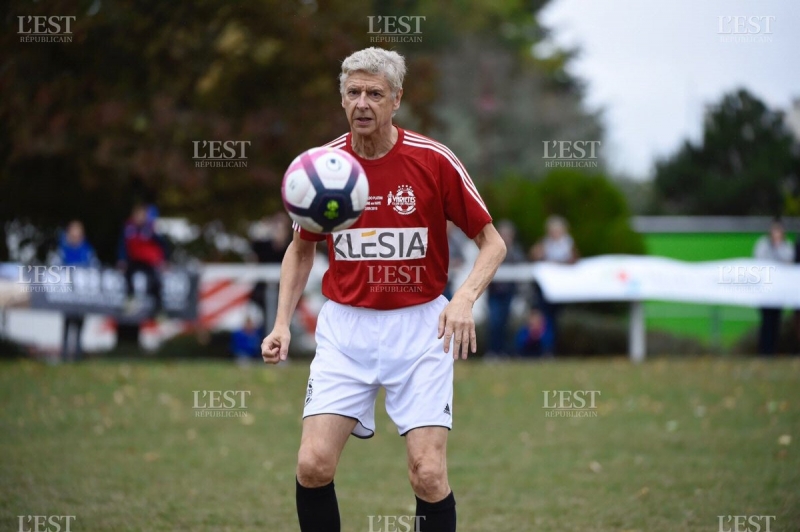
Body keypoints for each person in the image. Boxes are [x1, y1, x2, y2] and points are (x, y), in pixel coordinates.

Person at [261, 48, 506, 532]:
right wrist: (281, 324)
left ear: (396, 99)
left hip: (421, 330)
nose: (362, 103)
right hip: (345, 329)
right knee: (313, 464)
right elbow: (301, 249)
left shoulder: (433, 160)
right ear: (341, 99)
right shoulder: (324, 168)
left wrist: (463, 298)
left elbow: (492, 244)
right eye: (353, 92)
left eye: (374, 93)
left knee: (428, 473)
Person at [529, 215, 578, 356]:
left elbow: (574, 261)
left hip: (562, 289)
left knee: (556, 320)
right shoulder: (545, 243)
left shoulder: (568, 244)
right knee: (546, 319)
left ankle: (555, 348)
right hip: (546, 289)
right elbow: (533, 255)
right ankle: (547, 348)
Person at [56, 220, 98, 361]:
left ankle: (78, 355)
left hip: (81, 294)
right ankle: (64, 354)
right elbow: (56, 268)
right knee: (67, 323)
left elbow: (94, 268)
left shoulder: (87, 250)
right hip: (67, 294)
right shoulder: (62, 250)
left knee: (80, 325)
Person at [753, 218, 794, 355]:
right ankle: (763, 350)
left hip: (778, 291)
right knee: (766, 320)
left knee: (776, 321)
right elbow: (759, 261)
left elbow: (788, 261)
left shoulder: (786, 246)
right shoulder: (763, 244)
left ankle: (773, 350)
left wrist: (777, 247)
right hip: (765, 290)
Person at [486, 220, 525, 357]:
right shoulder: (491, 250)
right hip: (494, 293)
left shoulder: (516, 252)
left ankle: (504, 351)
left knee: (506, 322)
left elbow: (520, 272)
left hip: (509, 293)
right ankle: (493, 350)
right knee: (494, 321)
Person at [117, 205, 166, 316]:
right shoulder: (128, 228)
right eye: (137, 215)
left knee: (155, 281)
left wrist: (163, 260)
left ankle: (159, 309)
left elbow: (161, 245)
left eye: (141, 216)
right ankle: (130, 299)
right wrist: (121, 259)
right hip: (134, 260)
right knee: (128, 275)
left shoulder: (151, 228)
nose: (139, 218)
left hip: (148, 261)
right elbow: (122, 245)